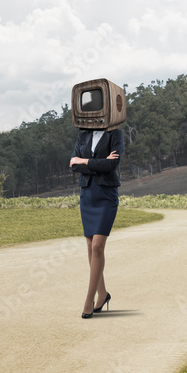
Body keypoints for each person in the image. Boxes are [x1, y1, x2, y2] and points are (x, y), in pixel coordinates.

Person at [69, 126, 124, 318]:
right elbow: (73, 166)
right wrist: (97, 162)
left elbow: (111, 166)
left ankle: (88, 301)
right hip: (87, 194)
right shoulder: (82, 135)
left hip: (106, 195)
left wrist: (84, 161)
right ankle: (102, 294)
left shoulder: (115, 134)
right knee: (90, 245)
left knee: (98, 247)